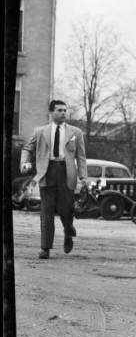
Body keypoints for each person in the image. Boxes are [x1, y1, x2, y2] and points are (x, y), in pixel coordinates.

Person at [20, 99, 87, 259]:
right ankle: (45, 248)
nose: (63, 113)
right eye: (59, 110)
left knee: (66, 210)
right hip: (46, 172)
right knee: (46, 211)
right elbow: (27, 148)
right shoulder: (40, 131)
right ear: (51, 112)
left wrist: (83, 177)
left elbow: (81, 156)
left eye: (65, 110)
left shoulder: (75, 132)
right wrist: (24, 162)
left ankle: (68, 231)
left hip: (67, 172)